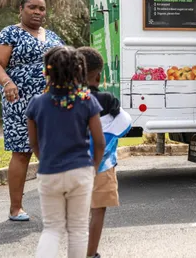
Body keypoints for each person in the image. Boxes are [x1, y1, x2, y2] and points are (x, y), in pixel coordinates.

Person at [0, 0, 64, 221]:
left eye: (42, 8)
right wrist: (7, 82)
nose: (38, 12)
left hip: (52, 102)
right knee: (22, 152)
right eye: (32, 7)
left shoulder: (52, 36)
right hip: (20, 101)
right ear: (21, 9)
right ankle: (16, 208)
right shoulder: (10, 33)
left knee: (54, 150)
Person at [26, 46, 105, 258]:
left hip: (49, 171)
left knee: (52, 228)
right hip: (80, 171)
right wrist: (94, 168)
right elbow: (99, 142)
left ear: (47, 72)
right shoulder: (87, 100)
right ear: (79, 71)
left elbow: (34, 143)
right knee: (78, 228)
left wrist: (46, 161)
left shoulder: (36, 103)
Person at [78, 47, 132, 258]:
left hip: (70, 166)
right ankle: (91, 254)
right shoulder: (107, 101)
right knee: (97, 210)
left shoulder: (63, 101)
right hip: (102, 166)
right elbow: (125, 123)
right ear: (99, 76)